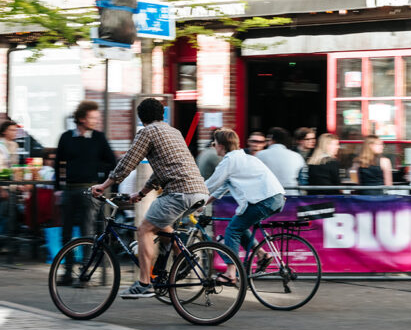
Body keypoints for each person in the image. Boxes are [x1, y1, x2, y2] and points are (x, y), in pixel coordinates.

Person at [89, 97, 209, 299]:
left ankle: (144, 283)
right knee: (161, 223)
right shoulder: (174, 132)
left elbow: (128, 162)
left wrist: (104, 185)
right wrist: (142, 193)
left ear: (141, 118)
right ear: (161, 114)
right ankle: (184, 259)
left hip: (179, 192)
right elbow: (163, 170)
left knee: (144, 229)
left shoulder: (147, 132)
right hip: (199, 191)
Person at [204, 128, 286, 284]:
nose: (213, 146)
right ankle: (262, 254)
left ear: (221, 145)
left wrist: (190, 197)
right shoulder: (245, 158)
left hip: (264, 200)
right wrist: (203, 203)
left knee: (232, 230)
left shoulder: (229, 161)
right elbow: (220, 188)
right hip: (277, 198)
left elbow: (210, 184)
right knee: (239, 225)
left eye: (214, 143)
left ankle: (230, 273)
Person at [55, 100, 116, 246]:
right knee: (66, 231)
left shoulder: (99, 137)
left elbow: (112, 162)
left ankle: (87, 261)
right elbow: (58, 164)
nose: (96, 121)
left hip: (90, 190)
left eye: (97, 118)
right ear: (82, 119)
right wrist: (57, 188)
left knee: (88, 231)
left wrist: (101, 179)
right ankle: (66, 261)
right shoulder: (66, 137)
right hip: (69, 189)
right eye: (93, 118)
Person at [257, 127, 305, 195]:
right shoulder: (297, 156)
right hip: (292, 195)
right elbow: (302, 180)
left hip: (268, 195)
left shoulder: (260, 155)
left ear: (272, 140)